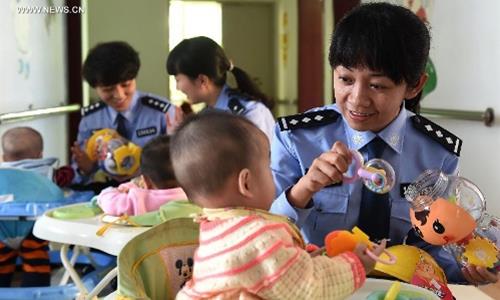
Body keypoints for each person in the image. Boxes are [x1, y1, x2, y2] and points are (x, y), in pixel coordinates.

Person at [270, 2, 498, 285]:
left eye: (377, 85)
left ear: (415, 85)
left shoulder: (437, 153)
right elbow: (265, 234)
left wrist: (466, 271)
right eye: (345, 79)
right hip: (315, 285)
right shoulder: (296, 138)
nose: (356, 98)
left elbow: (430, 246)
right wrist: (305, 188)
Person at [171, 111, 385, 299]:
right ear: (246, 183)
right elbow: (309, 288)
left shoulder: (217, 230)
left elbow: (268, 276)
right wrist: (355, 264)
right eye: (267, 167)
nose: (272, 174)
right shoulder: (258, 239)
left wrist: (301, 256)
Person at [71, 41, 177, 184]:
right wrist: (86, 169)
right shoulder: (90, 120)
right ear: (95, 87)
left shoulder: (162, 113)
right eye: (108, 89)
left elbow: (179, 165)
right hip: (106, 196)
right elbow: (78, 177)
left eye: (126, 85)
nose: (119, 95)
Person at [166, 36, 276, 142]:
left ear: (202, 80)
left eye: (178, 79)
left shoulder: (251, 114)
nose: (177, 87)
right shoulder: (205, 116)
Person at [0, 127, 67, 287]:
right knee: (36, 264)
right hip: (34, 228)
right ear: (40, 155)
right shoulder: (46, 172)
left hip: (2, 227)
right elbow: (57, 197)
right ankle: (36, 293)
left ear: (3, 157)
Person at [97, 135, 188, 216]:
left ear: (146, 181)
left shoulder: (140, 200)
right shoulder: (195, 195)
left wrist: (129, 186)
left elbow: (110, 203)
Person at [1, 127, 74, 186]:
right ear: (40, 155)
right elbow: (68, 175)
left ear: (3, 158)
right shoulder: (49, 173)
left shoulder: (3, 175)